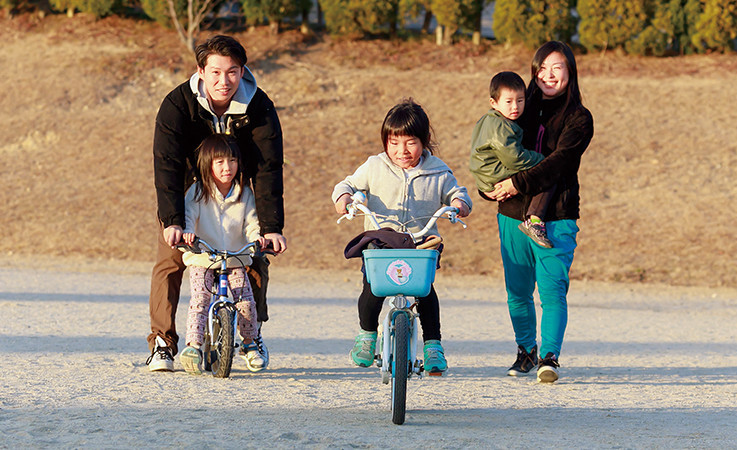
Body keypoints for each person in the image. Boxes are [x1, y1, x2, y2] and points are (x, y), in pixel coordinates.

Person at [146, 35, 287, 372]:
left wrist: (271, 228)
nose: (224, 82)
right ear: (201, 71)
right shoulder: (178, 103)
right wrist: (173, 220)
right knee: (171, 261)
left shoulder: (259, 106)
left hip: (236, 198)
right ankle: (163, 343)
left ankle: (251, 337)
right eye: (216, 73)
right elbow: (166, 163)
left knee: (253, 259)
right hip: (187, 197)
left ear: (242, 71)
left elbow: (268, 168)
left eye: (233, 73)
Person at [332, 99, 472, 376]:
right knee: (373, 288)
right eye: (394, 142)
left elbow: (460, 194)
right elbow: (346, 185)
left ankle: (433, 346)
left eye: (410, 142)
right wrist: (346, 201)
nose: (402, 151)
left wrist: (458, 206)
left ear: (424, 141)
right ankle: (366, 336)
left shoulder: (437, 171)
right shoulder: (375, 166)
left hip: (421, 241)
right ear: (385, 141)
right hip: (382, 241)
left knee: (425, 291)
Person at [485, 41, 594, 383]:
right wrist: (486, 186)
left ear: (570, 73)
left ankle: (549, 357)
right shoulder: (517, 106)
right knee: (517, 291)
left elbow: (560, 162)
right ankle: (525, 352)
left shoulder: (579, 118)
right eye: (542, 68)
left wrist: (516, 182)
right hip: (511, 214)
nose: (548, 75)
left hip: (557, 216)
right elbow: (489, 146)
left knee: (552, 290)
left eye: (557, 68)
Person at [178, 135, 266, 374]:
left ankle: (249, 345)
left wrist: (256, 237)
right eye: (220, 162)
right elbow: (187, 218)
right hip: (204, 257)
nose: (227, 167)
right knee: (201, 299)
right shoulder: (196, 192)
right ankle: (194, 346)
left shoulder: (244, 193)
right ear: (208, 165)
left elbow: (251, 223)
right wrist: (187, 234)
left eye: (232, 161)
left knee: (245, 300)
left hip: (235, 258)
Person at [469, 71, 554, 248]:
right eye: (508, 102)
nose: (515, 107)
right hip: (495, 173)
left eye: (520, 100)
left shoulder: (488, 120)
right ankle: (535, 220)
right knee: (546, 174)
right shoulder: (501, 126)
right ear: (494, 102)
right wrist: (540, 159)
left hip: (485, 174)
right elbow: (514, 158)